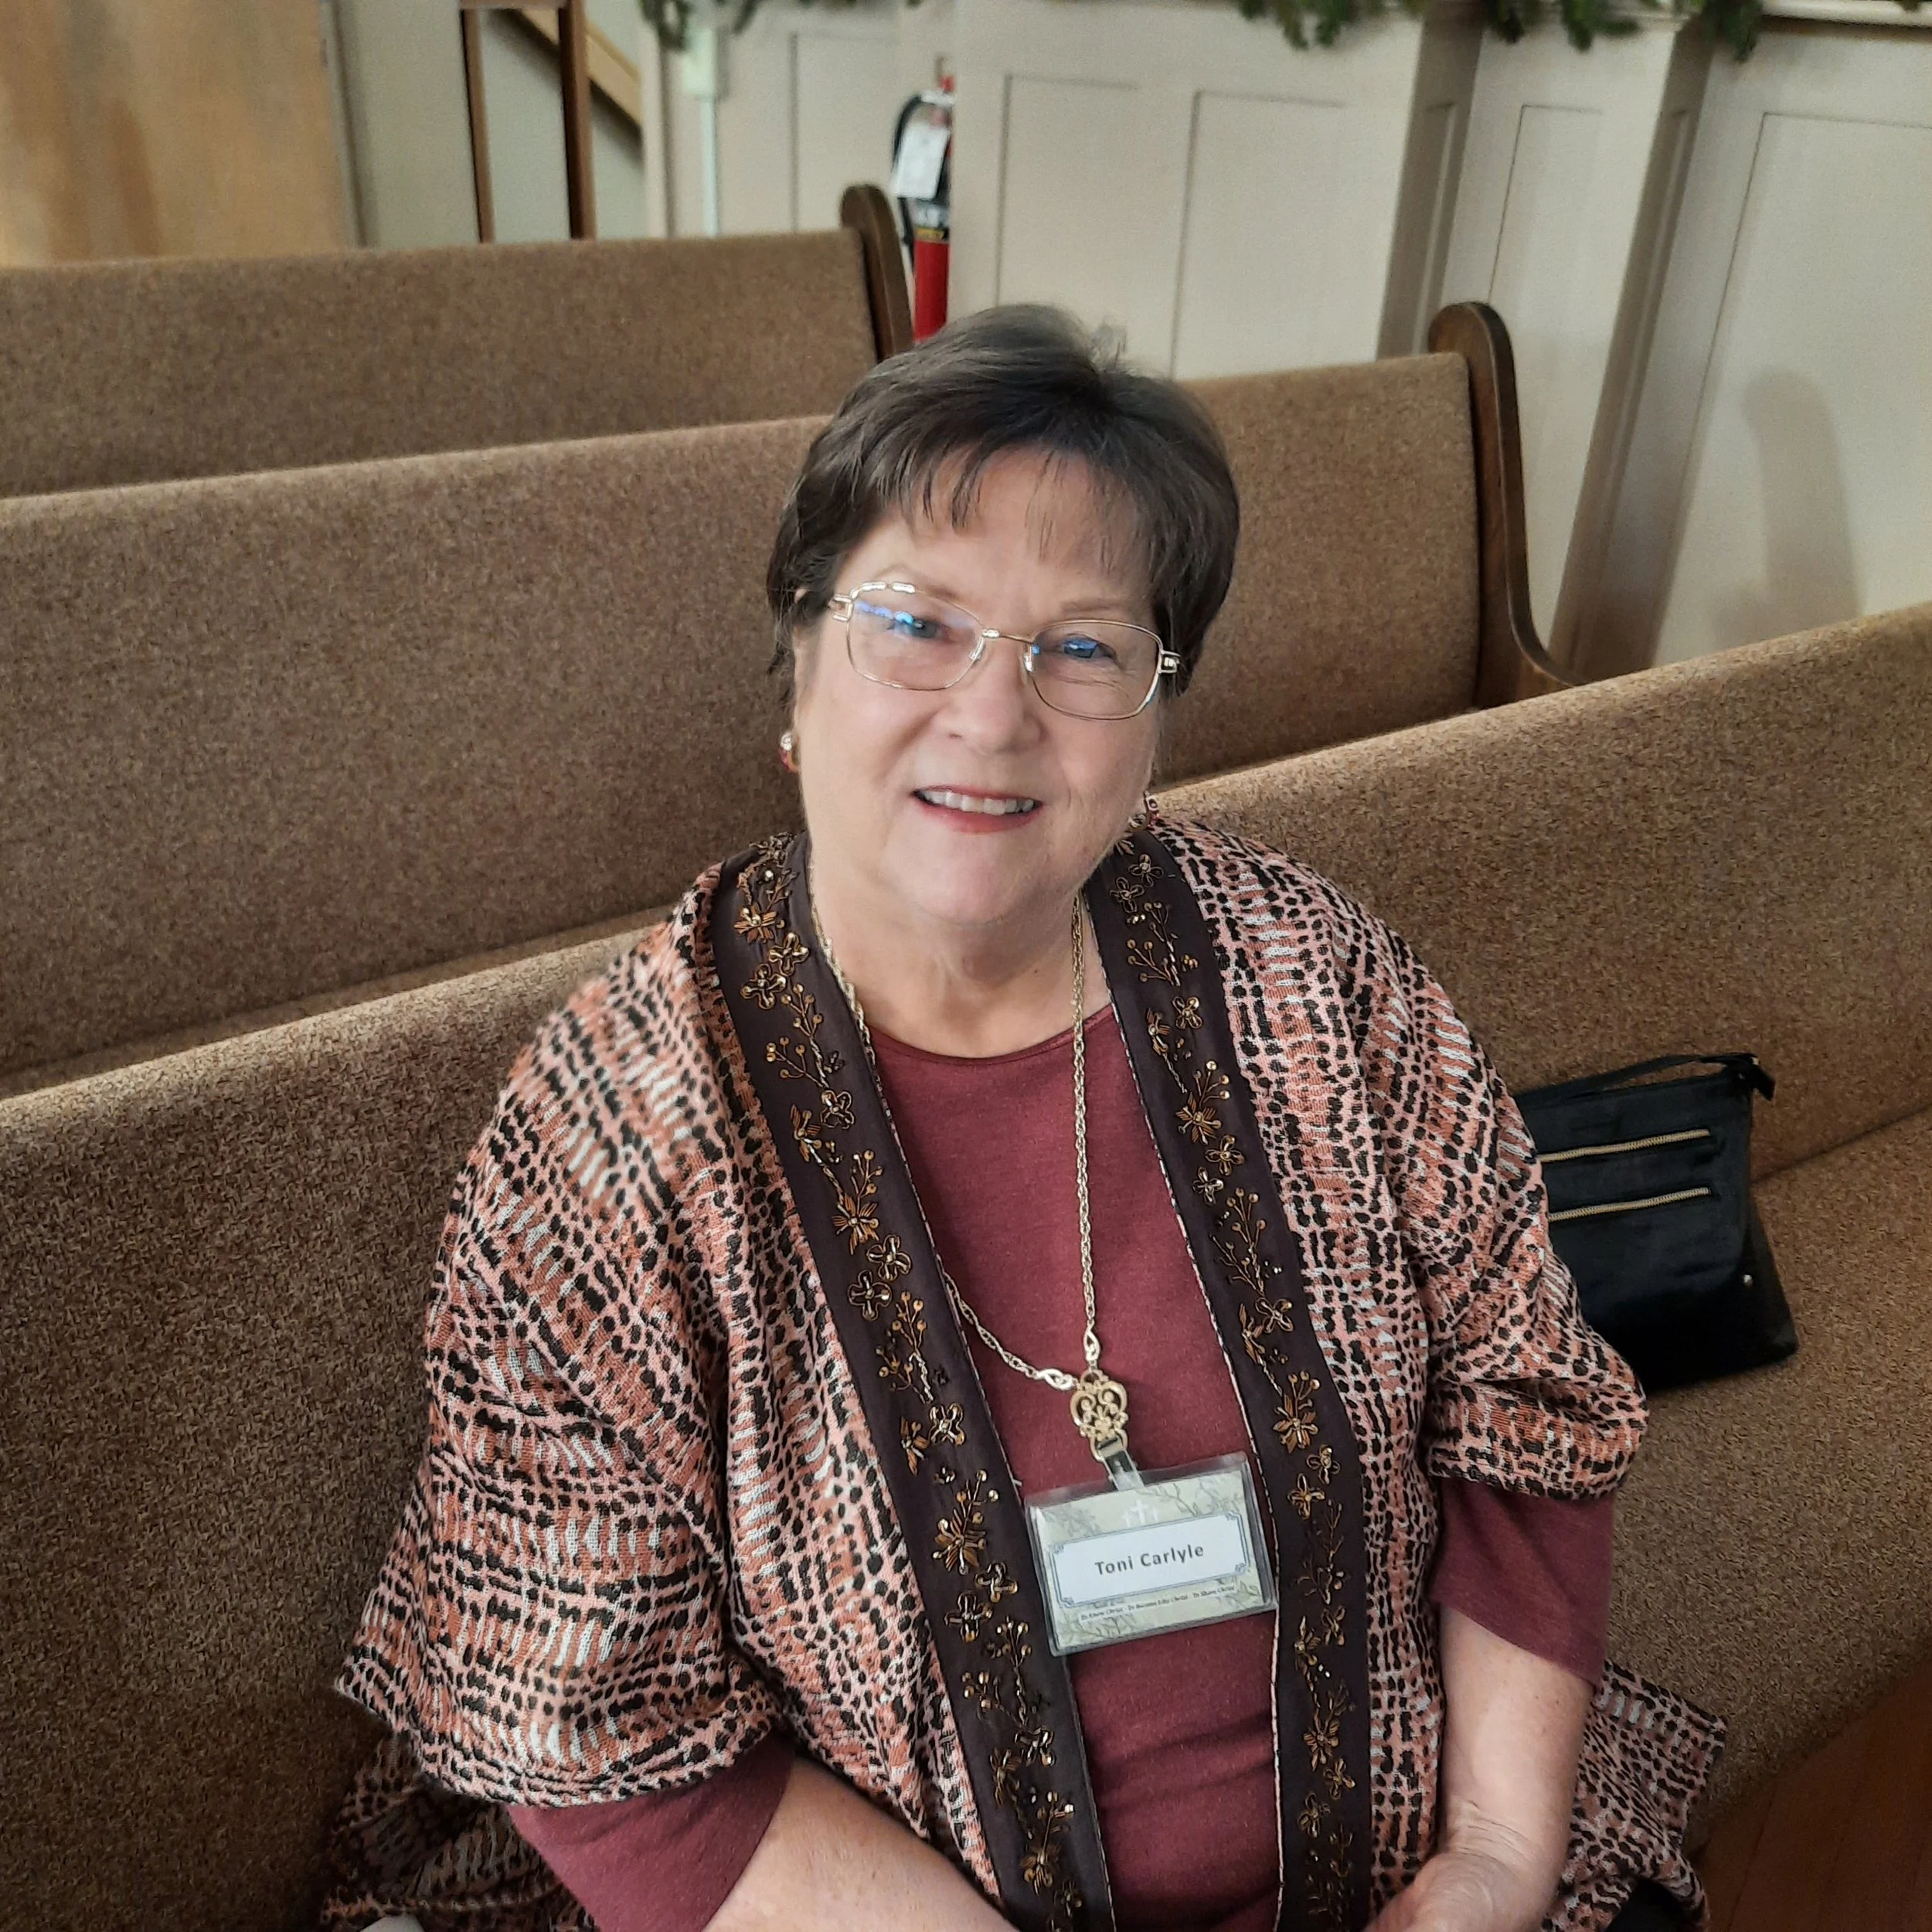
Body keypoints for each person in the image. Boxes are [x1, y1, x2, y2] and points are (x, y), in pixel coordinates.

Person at [328, 308, 1718, 1932]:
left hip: (1422, 1863)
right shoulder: (612, 1129)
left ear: (1154, 716)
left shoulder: (1312, 976)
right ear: (796, 669)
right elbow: (599, 1732)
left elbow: (1523, 1407)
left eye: (1084, 649)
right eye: (918, 624)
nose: (993, 716)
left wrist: (1487, 1855)